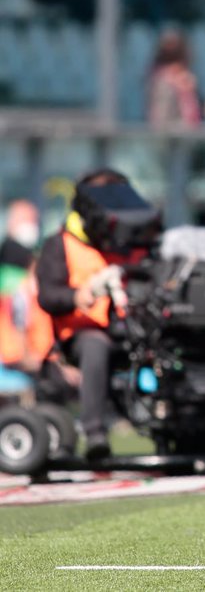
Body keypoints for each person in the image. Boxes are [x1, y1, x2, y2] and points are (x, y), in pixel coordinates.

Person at [36, 169, 148, 460]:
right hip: (76, 337)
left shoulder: (130, 241)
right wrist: (76, 296)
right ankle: (95, 432)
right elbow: (47, 295)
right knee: (95, 344)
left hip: (130, 330)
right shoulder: (59, 244)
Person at [0, 200, 42, 370]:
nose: (32, 226)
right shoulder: (12, 254)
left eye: (34, 221)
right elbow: (18, 313)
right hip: (15, 354)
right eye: (27, 221)